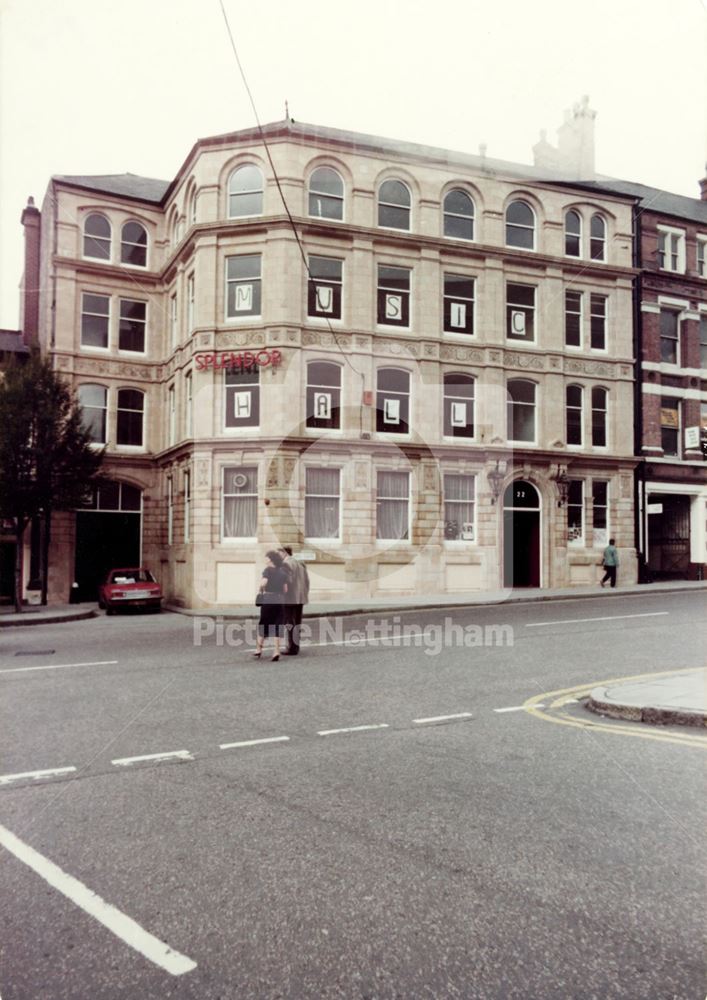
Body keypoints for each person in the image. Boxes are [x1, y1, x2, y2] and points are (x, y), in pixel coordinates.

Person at [253, 550, 288, 661]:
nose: (265, 559)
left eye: (266, 557)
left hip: (268, 599)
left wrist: (260, 588)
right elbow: (285, 590)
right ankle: (276, 651)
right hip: (279, 600)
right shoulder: (283, 573)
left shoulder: (267, 570)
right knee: (278, 625)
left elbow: (264, 582)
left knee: (264, 624)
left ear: (271, 559)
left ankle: (258, 649)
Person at [280, 546, 310, 655]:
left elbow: (287, 581)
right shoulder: (301, 564)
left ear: (284, 553)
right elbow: (307, 581)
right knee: (297, 622)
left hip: (290, 598)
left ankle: (292, 648)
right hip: (300, 598)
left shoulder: (286, 564)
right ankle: (296, 647)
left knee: (289, 622)